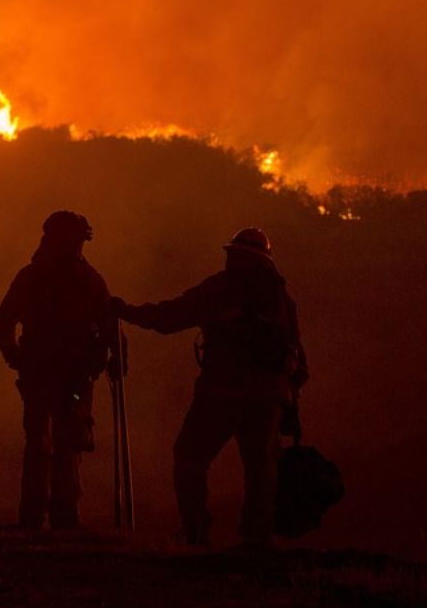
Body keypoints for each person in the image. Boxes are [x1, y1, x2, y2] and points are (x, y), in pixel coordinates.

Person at [113, 227, 307, 548]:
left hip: (222, 390)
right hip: (269, 396)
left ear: (238, 256)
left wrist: (126, 312)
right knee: (260, 468)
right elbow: (298, 357)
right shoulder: (281, 299)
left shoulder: (220, 289)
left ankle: (195, 532)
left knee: (190, 457)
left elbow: (168, 317)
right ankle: (256, 540)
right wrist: (288, 400)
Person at [0, 211, 115, 530]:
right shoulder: (83, 280)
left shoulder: (36, 277)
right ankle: (61, 518)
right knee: (61, 444)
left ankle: (38, 517)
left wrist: (14, 355)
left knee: (48, 443)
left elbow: (2, 323)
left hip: (52, 374)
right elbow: (3, 323)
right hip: (60, 374)